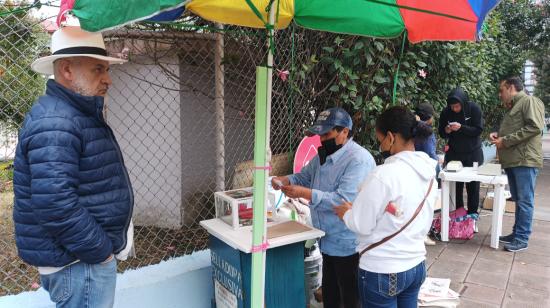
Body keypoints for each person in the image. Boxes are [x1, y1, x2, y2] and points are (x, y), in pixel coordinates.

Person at [13, 26, 131, 308]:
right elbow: (55, 203)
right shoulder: (57, 121)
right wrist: (100, 252)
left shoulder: (71, 114)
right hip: (80, 262)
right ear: (67, 70)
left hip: (80, 260)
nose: (107, 80)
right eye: (98, 70)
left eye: (106, 70)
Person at [272, 107, 375, 308]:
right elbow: (304, 176)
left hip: (349, 243)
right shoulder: (323, 154)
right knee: (332, 297)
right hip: (327, 239)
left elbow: (342, 200)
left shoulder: (358, 160)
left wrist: (304, 193)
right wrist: (284, 180)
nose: (321, 139)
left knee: (351, 299)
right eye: (319, 135)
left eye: (326, 134)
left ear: (344, 131)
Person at [334, 106, 437, 308]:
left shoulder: (383, 175)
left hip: (382, 269)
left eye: (380, 140)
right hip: (416, 265)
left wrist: (346, 213)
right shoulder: (429, 171)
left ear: (391, 137)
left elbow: (361, 224)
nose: (380, 146)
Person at [491, 76, 545, 252]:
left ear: (511, 87)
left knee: (524, 201)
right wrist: (498, 137)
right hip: (515, 160)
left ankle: (522, 238)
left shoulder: (529, 101)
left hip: (524, 160)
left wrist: (504, 141)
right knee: (519, 200)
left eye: (502, 90)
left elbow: (535, 127)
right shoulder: (515, 106)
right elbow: (518, 129)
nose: (500, 94)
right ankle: (516, 234)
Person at [438, 87, 484, 216]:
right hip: (455, 153)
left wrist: (461, 128)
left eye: (457, 106)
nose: (455, 109)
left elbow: (478, 130)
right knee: (456, 185)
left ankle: (472, 215)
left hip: (473, 152)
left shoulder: (473, 109)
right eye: (452, 106)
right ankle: (458, 213)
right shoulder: (446, 112)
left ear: (463, 103)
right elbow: (441, 132)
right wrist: (447, 130)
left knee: (473, 185)